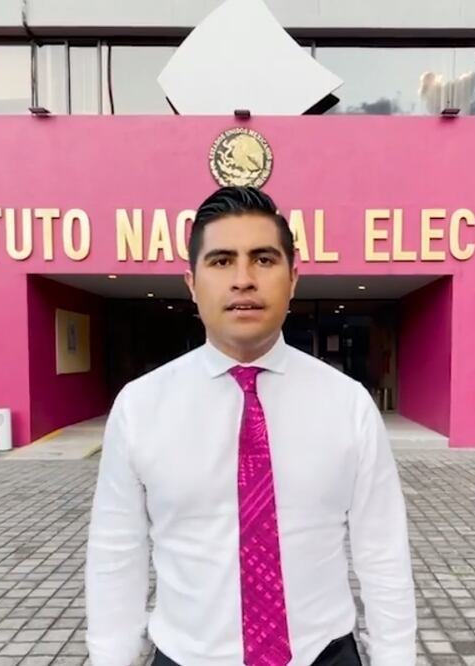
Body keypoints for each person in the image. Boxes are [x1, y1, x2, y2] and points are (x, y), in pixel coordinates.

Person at [85, 185, 417, 666]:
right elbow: (117, 555)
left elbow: (382, 551)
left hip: (322, 653)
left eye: (263, 259)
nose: (243, 279)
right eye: (221, 261)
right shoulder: (140, 406)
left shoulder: (348, 404)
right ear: (192, 283)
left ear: (293, 278)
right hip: (186, 655)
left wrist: (396, 658)